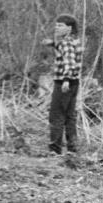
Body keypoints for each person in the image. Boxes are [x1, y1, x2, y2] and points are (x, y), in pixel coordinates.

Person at [42, 13, 83, 155]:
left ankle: (55, 149)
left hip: (64, 83)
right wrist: (53, 43)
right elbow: (68, 53)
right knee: (70, 116)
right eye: (56, 25)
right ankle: (73, 148)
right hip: (74, 82)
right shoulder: (74, 40)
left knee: (56, 115)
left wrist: (65, 80)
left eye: (60, 26)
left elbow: (70, 63)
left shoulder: (66, 42)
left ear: (69, 28)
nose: (57, 28)